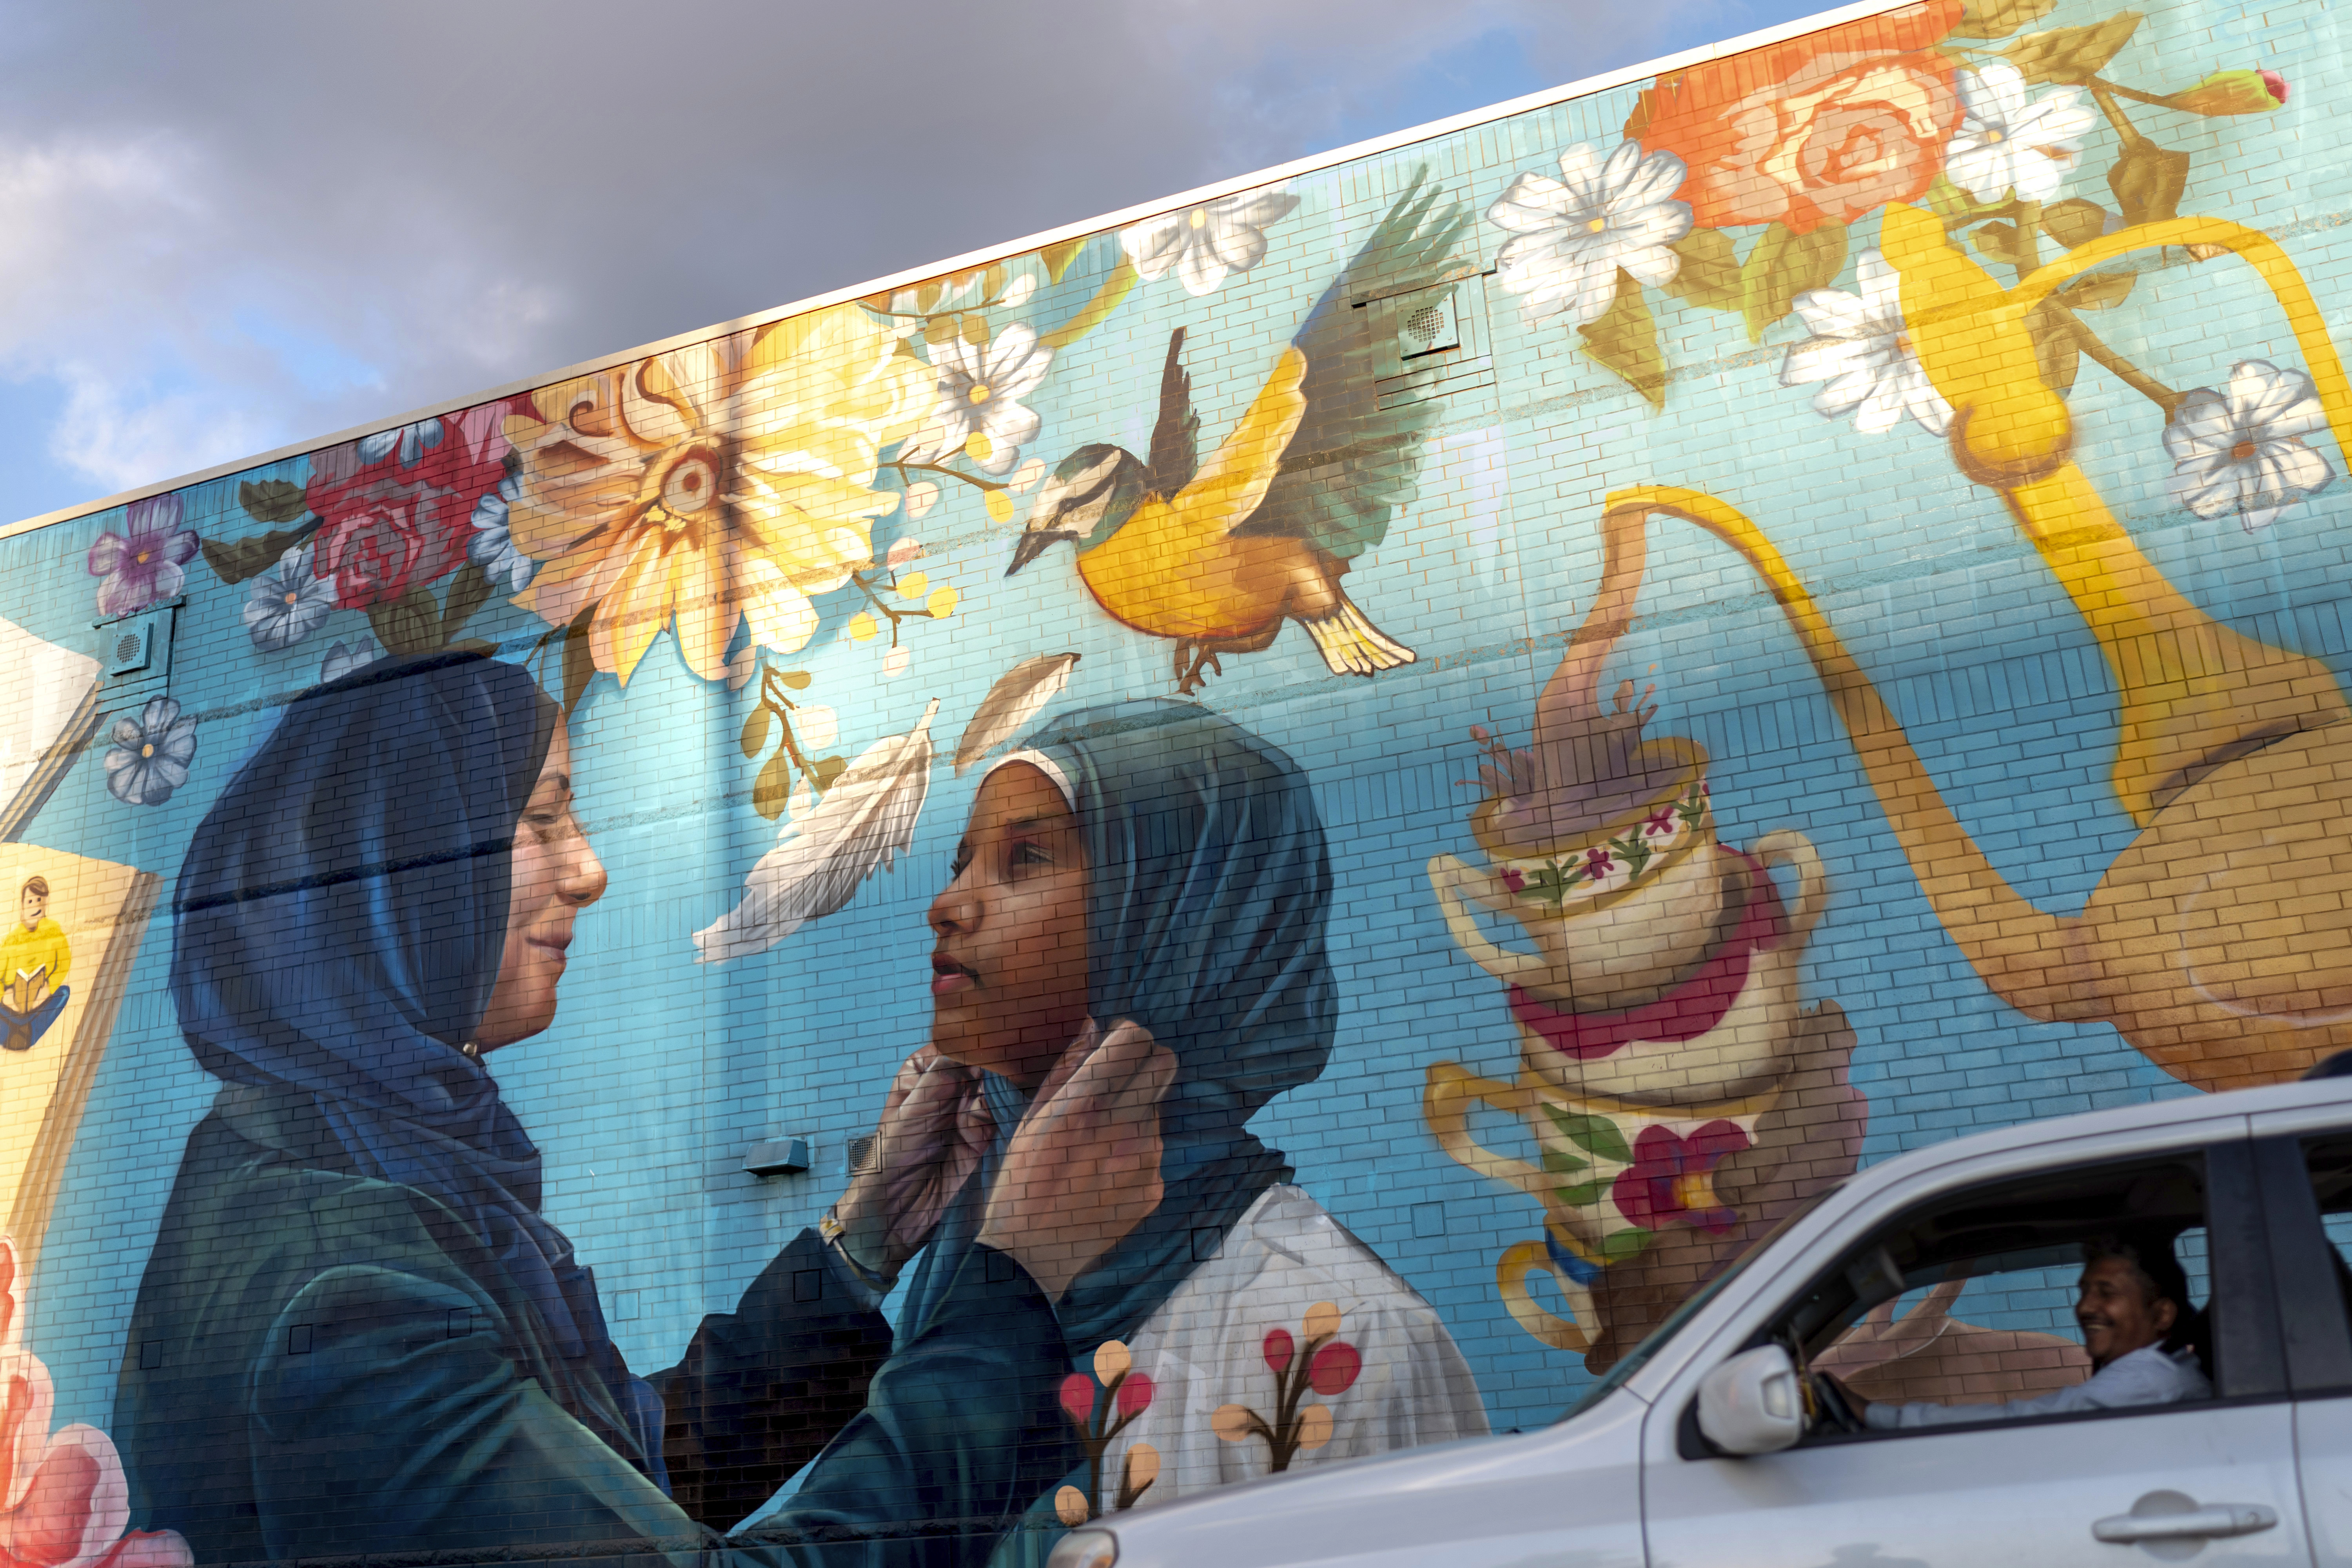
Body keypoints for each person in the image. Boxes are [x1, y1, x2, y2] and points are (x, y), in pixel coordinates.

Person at [747, 700, 1486, 1557]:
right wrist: (861, 1247)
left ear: (1184, 921)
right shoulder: (957, 1278)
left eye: (1024, 858)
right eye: (962, 864)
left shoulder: (1341, 1333)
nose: (946, 905)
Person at [1829, 1236, 2210, 1430]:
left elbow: (2019, 1420)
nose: (2085, 1307)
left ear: (2161, 1314)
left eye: (2107, 1294)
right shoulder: (2165, 1373)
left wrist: (1873, 1413)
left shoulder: (2148, 1381)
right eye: (2085, 1292)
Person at [1, 874, 69, 1051]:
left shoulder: (54, 932)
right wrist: (4, 996)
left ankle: (27, 1030)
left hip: (39, 996)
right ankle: (14, 1029)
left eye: (39, 900)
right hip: (12, 1001)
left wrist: (48, 989)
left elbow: (63, 964)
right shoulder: (12, 940)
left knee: (63, 993)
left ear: (45, 904)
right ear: (22, 906)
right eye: (30, 901)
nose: (35, 906)